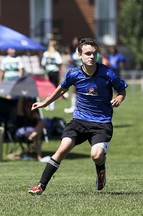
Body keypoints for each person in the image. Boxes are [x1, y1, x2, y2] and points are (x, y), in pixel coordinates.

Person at [28, 38, 128, 195]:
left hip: (101, 123)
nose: (91, 57)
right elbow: (62, 89)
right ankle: (40, 186)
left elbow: (122, 90)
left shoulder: (107, 73)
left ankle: (101, 169)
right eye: (87, 53)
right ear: (79, 55)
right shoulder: (74, 73)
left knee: (96, 155)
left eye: (94, 54)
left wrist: (118, 99)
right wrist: (45, 103)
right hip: (79, 121)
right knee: (63, 147)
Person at [15, 97, 46, 162]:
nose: (28, 108)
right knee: (38, 134)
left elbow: (42, 124)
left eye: (30, 106)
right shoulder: (21, 113)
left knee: (41, 124)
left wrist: (37, 117)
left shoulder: (34, 115)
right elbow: (20, 105)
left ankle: (32, 136)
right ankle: (39, 156)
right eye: (27, 106)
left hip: (33, 131)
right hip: (22, 130)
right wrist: (22, 95)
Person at [41, 40, 63, 111]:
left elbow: (43, 63)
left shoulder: (45, 53)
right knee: (53, 88)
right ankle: (51, 104)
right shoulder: (56, 54)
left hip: (48, 72)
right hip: (54, 72)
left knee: (48, 88)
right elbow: (60, 62)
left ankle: (47, 104)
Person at [64, 36, 82, 114]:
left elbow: (79, 60)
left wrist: (72, 60)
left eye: (75, 40)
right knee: (75, 90)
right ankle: (75, 107)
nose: (73, 41)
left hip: (81, 72)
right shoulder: (75, 49)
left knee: (77, 90)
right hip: (77, 72)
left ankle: (74, 107)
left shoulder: (81, 49)